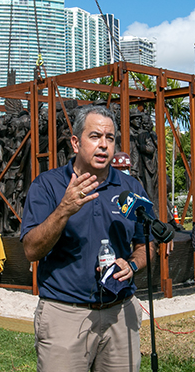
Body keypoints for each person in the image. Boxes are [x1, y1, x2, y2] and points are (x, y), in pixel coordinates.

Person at [21, 105, 154, 372]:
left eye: (110, 138)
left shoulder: (131, 188)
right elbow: (31, 250)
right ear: (75, 142)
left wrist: (133, 265)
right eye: (95, 136)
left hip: (120, 313)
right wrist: (64, 209)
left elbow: (146, 244)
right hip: (65, 315)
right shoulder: (48, 186)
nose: (104, 145)